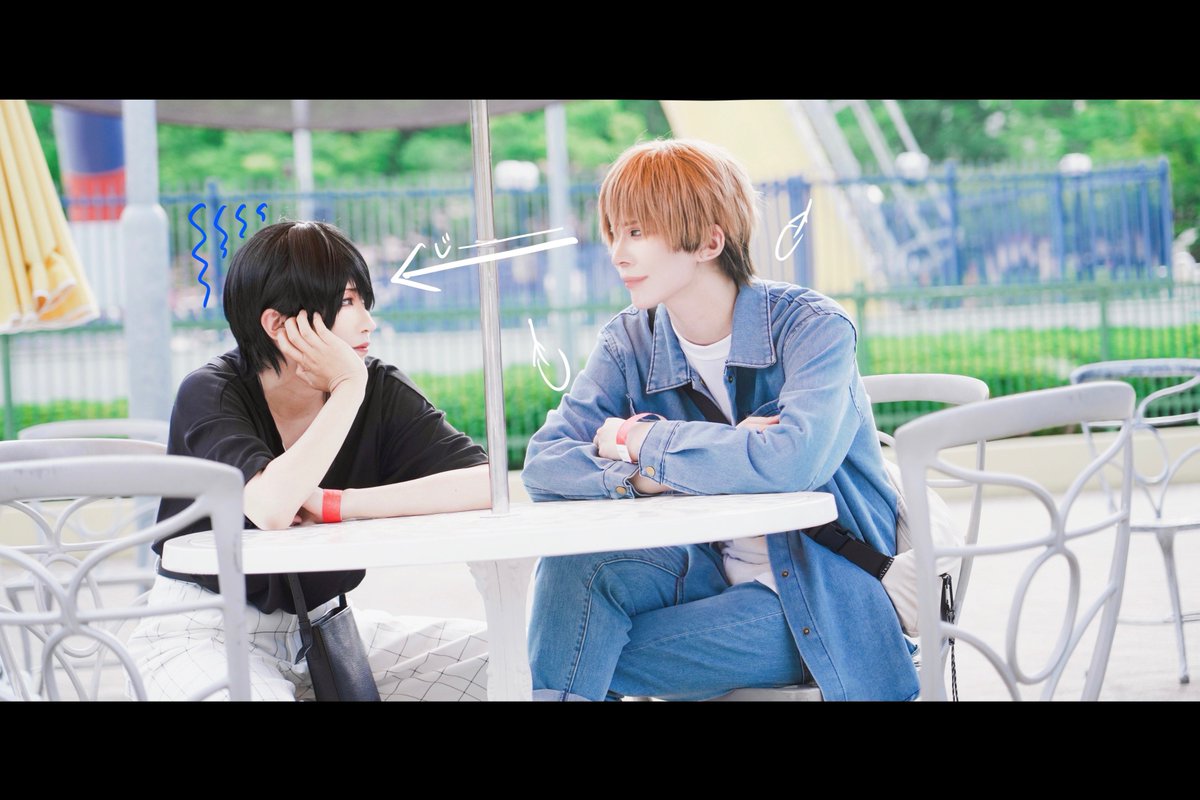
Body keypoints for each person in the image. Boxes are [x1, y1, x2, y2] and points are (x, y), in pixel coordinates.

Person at [521, 139, 919, 701]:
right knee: (575, 570)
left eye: (637, 232)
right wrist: (646, 476)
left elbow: (792, 464)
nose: (617, 253)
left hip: (820, 594)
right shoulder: (630, 341)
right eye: (613, 232)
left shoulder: (813, 328)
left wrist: (642, 439)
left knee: (576, 652)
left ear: (709, 241)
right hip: (703, 570)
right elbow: (545, 465)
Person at [127, 220, 491, 701]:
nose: (368, 322)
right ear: (278, 325)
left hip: (326, 631)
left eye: (364, 301)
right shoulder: (212, 392)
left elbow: (484, 483)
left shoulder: (380, 388)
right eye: (347, 302)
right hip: (203, 631)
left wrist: (338, 504)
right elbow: (272, 508)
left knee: (510, 659)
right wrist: (347, 388)